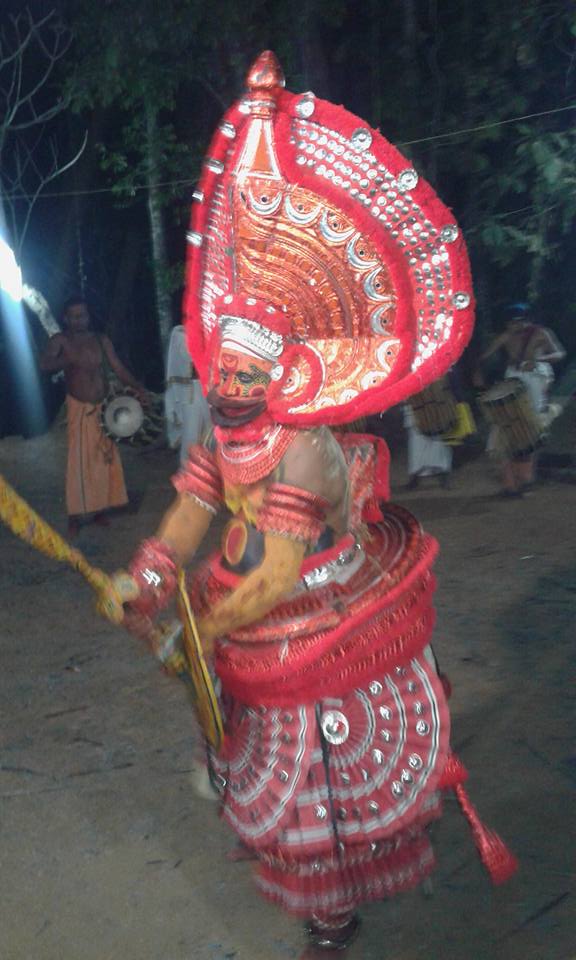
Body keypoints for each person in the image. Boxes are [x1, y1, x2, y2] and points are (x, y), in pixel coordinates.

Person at [98, 52, 515, 958]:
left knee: (320, 767)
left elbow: (281, 565)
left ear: (280, 372)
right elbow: (190, 506)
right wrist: (150, 571)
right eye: (224, 370)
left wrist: (196, 631)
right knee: (244, 740)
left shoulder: (306, 445)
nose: (232, 385)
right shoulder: (223, 434)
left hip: (317, 607)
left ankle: (333, 907)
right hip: (245, 603)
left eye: (249, 373)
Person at [39, 297, 147, 536]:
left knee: (105, 457)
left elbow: (117, 367)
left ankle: (99, 509)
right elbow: (44, 364)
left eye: (83, 315)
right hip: (79, 406)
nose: (80, 320)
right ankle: (76, 516)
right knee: (79, 462)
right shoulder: (61, 340)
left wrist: (138, 387)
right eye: (74, 316)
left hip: (103, 406)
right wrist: (65, 359)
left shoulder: (100, 339)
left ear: (88, 316)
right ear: (66, 318)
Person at [479, 304, 565, 496]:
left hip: (535, 377)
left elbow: (560, 354)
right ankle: (512, 482)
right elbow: (486, 355)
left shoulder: (541, 333)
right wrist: (479, 370)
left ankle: (526, 478)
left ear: (524, 320)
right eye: (510, 323)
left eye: (517, 322)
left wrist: (539, 360)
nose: (513, 326)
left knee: (530, 425)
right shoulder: (505, 336)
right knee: (509, 423)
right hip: (513, 378)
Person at [164, 324, 211, 464]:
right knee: (191, 437)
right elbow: (188, 360)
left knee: (211, 438)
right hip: (191, 393)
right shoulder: (180, 333)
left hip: (211, 392)